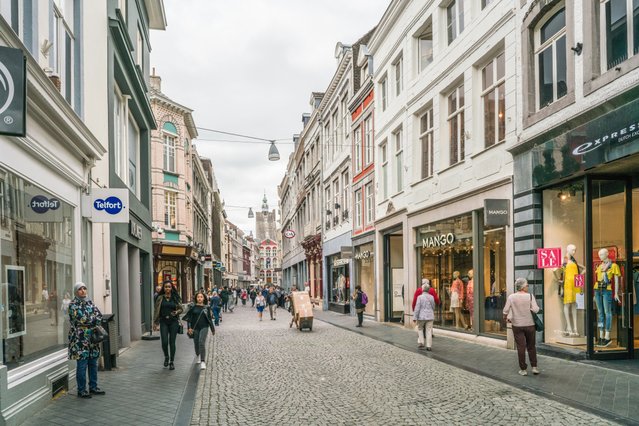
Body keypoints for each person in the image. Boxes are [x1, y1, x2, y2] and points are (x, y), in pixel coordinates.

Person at [68, 282, 105, 398]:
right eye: (80, 289)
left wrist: (91, 319)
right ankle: (81, 390)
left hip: (92, 338)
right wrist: (91, 319)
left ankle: (93, 387)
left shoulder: (90, 302)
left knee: (93, 363)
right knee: (82, 364)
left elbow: (99, 316)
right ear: (76, 291)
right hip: (80, 339)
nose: (83, 291)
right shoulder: (73, 304)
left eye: (84, 288)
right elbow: (81, 319)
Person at [503, 277, 540, 376]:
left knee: (521, 347)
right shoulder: (530, 296)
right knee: (531, 346)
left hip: (517, 325)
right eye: (527, 285)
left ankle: (523, 370)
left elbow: (505, 310)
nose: (528, 287)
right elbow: (536, 310)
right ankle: (534, 367)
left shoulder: (511, 297)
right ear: (523, 286)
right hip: (530, 325)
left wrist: (507, 316)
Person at [153, 280, 183, 370]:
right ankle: (166, 356)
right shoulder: (160, 297)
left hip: (173, 322)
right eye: (166, 287)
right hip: (163, 322)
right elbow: (156, 310)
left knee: (172, 342)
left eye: (169, 287)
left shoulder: (175, 297)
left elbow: (181, 309)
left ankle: (172, 362)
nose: (167, 288)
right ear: (163, 288)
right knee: (164, 342)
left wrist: (176, 312)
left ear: (171, 288)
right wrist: (155, 323)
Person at [594, 248, 621, 347]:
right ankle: (601, 336)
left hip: (607, 290)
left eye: (602, 254)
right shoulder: (599, 266)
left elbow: (616, 280)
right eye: (599, 254)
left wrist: (616, 293)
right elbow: (597, 279)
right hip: (597, 289)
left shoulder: (613, 266)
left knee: (607, 312)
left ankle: (607, 336)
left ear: (607, 254)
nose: (600, 256)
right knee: (600, 313)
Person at [182, 292, 215, 370]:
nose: (200, 298)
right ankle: (198, 354)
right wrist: (189, 328)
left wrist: (212, 328)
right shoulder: (192, 307)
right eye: (198, 297)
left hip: (204, 327)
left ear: (204, 298)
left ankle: (203, 361)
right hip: (195, 328)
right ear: (196, 298)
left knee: (201, 342)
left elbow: (209, 319)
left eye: (201, 297)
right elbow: (188, 318)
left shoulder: (207, 307)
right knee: (196, 343)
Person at [413, 281, 436, 351]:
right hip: (430, 316)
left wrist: (415, 317)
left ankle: (422, 342)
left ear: (422, 289)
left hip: (421, 316)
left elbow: (417, 308)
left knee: (420, 328)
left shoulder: (420, 297)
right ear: (429, 290)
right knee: (429, 330)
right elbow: (433, 306)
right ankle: (429, 346)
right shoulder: (431, 297)